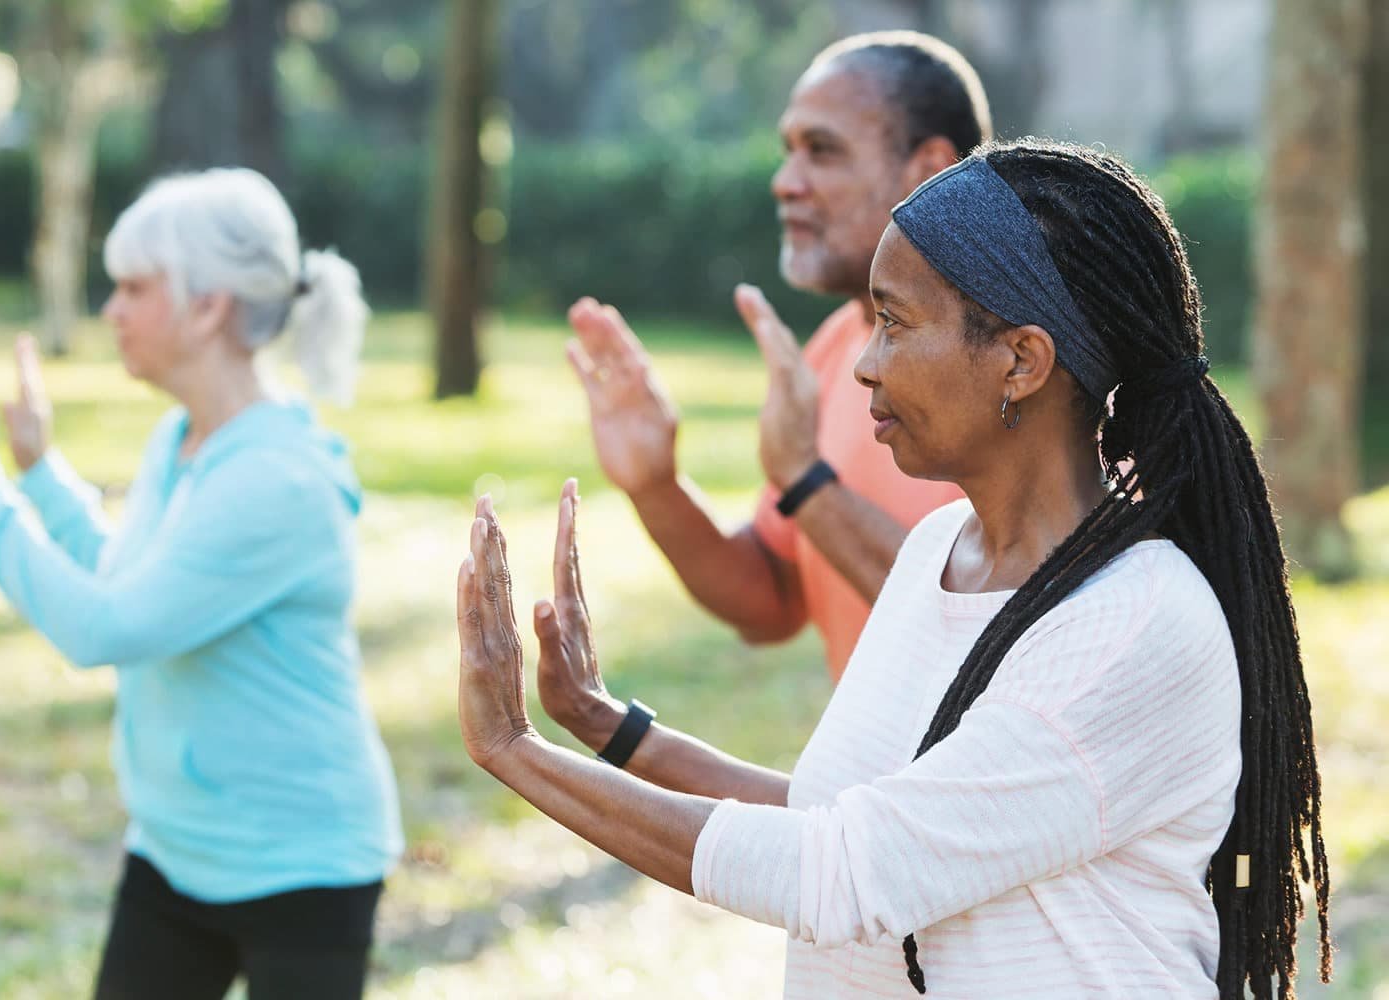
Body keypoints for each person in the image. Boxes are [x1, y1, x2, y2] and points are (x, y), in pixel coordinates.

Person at [456, 139, 1332, 998]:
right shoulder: (935, 553)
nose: (866, 364)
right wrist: (612, 729)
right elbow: (834, 816)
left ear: (1021, 361)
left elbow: (842, 874)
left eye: (895, 322)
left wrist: (513, 750)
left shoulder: (1133, 621)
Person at [0, 168, 403, 1000]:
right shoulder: (183, 439)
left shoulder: (277, 479)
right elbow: (132, 581)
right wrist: (41, 476)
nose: (111, 310)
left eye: (133, 288)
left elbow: (106, 629)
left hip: (303, 863)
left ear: (208, 307)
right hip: (177, 848)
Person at [566, 32, 990, 678]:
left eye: (821, 151)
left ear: (928, 170)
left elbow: (997, 629)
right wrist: (657, 487)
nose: (785, 182)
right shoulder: (838, 346)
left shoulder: (1017, 362)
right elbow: (771, 601)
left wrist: (806, 480)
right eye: (788, 151)